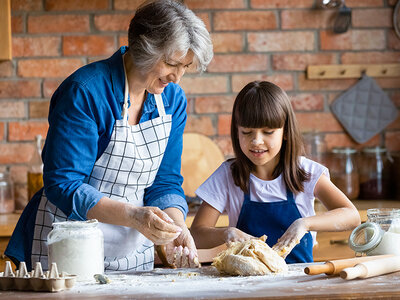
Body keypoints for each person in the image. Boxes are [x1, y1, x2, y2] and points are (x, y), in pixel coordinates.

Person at [6, 0, 213, 271]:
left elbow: (164, 182)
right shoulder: (86, 92)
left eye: (185, 67)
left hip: (133, 254)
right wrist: (134, 216)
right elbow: (64, 184)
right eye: (172, 64)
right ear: (144, 48)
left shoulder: (172, 100)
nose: (177, 77)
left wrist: (176, 228)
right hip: (69, 247)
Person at [190, 81, 361, 263]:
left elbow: (352, 216)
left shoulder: (306, 172)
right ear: (236, 132)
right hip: (246, 285)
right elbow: (196, 235)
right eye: (247, 132)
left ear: (285, 132)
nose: (256, 141)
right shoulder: (227, 175)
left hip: (298, 282)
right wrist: (226, 233)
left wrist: (304, 223)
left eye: (268, 132)